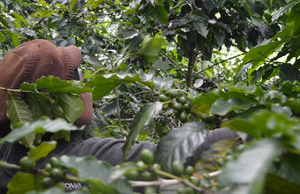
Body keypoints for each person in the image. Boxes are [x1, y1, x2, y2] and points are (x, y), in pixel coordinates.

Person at [0, 39, 239, 192]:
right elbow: (174, 155)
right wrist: (255, 128)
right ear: (62, 100)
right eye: (77, 76)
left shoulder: (8, 160)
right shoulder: (79, 161)